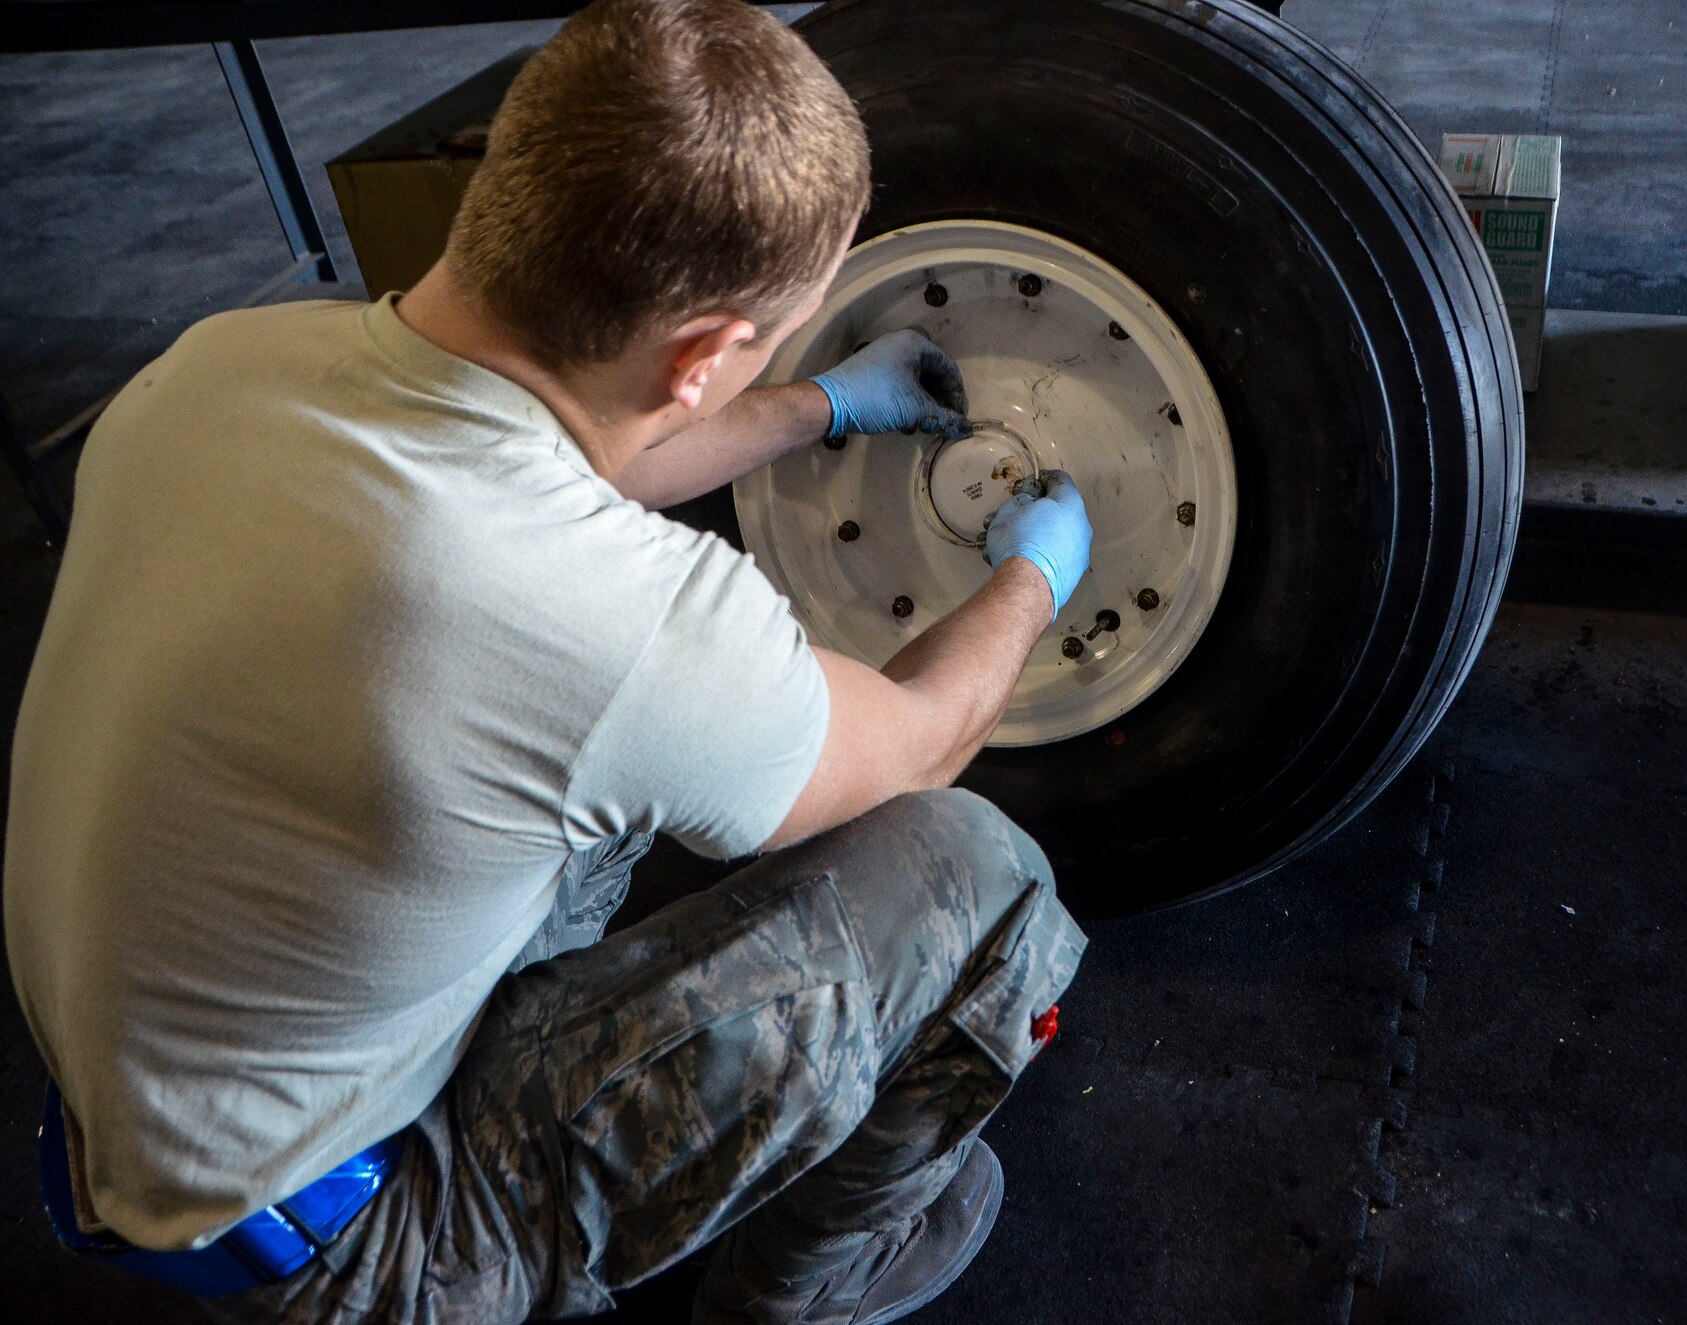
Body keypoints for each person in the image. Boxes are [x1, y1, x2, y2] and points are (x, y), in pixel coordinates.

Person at [2, 1, 1094, 1321]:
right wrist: (1039, 570)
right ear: (697, 357)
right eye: (768, 337)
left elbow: (550, 447)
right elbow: (921, 736)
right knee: (974, 878)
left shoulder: (219, 364)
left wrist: (818, 402)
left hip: (162, 1100)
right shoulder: (619, 626)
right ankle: (809, 1287)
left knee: (580, 773)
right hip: (364, 1250)